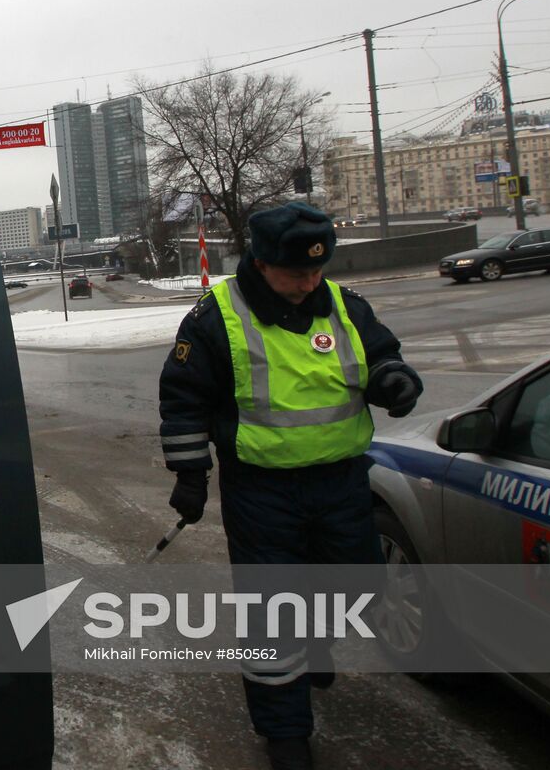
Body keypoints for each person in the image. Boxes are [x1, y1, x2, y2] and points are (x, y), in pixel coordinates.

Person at [156, 202, 421, 770]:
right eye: (295, 272)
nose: (307, 282)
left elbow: (380, 355)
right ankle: (286, 734)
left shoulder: (345, 306)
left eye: (315, 271)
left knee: (358, 589)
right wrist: (191, 474)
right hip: (262, 494)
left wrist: (394, 381)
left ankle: (316, 638)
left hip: (343, 483)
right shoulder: (214, 318)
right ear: (261, 260)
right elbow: (184, 401)